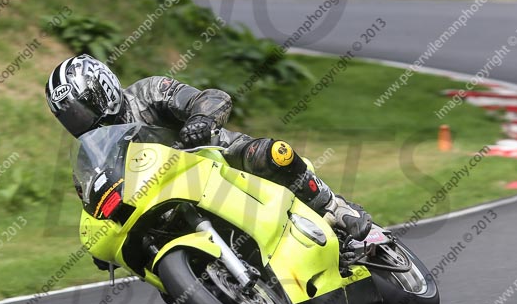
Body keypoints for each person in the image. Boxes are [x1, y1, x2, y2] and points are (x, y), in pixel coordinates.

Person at [45, 54, 372, 263]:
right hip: (162, 206)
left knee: (275, 154)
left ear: (103, 89)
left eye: (80, 109)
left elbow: (211, 98)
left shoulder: (147, 92)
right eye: (69, 117)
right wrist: (103, 242)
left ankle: (334, 208)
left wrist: (200, 120)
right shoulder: (91, 158)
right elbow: (96, 206)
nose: (78, 121)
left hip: (216, 158)